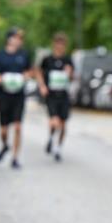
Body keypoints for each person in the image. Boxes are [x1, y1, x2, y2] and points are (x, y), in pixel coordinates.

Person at [0, 28, 33, 169]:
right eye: (17, 37)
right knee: (4, 130)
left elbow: (30, 70)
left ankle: (15, 158)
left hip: (18, 95)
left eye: (21, 38)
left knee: (18, 127)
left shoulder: (24, 55)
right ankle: (5, 145)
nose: (19, 40)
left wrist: (25, 76)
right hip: (3, 94)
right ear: (10, 39)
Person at [35, 32, 74, 162]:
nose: (60, 46)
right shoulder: (47, 60)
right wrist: (42, 86)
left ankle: (58, 147)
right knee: (54, 121)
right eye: (58, 44)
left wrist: (69, 73)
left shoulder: (68, 60)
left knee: (63, 124)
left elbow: (72, 77)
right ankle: (51, 138)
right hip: (51, 95)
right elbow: (39, 73)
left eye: (62, 44)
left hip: (63, 95)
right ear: (54, 44)